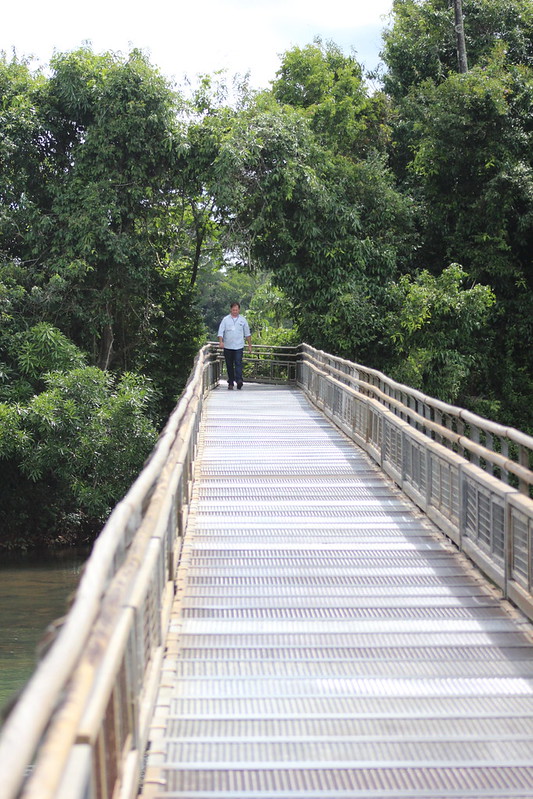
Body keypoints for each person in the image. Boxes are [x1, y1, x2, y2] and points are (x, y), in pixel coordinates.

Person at [217, 302, 252, 390]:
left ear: (239, 310)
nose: (235, 311)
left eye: (236, 310)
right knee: (229, 365)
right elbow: (221, 332)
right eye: (233, 310)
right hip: (228, 346)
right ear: (231, 310)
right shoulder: (225, 319)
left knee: (238, 363)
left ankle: (239, 380)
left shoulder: (243, 320)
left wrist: (249, 345)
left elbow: (247, 334)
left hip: (238, 346)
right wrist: (221, 342)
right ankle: (231, 382)